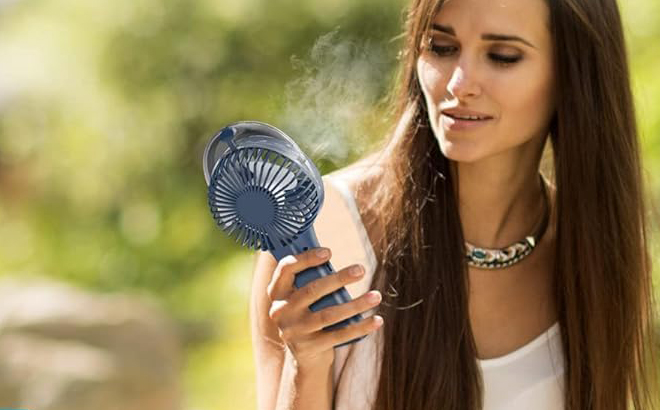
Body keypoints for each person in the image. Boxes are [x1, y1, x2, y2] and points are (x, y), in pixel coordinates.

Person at [249, 0, 659, 409]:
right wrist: (306, 362)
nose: (459, 83)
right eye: (441, 48)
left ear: (572, 72)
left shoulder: (600, 258)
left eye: (502, 56)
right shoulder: (321, 231)